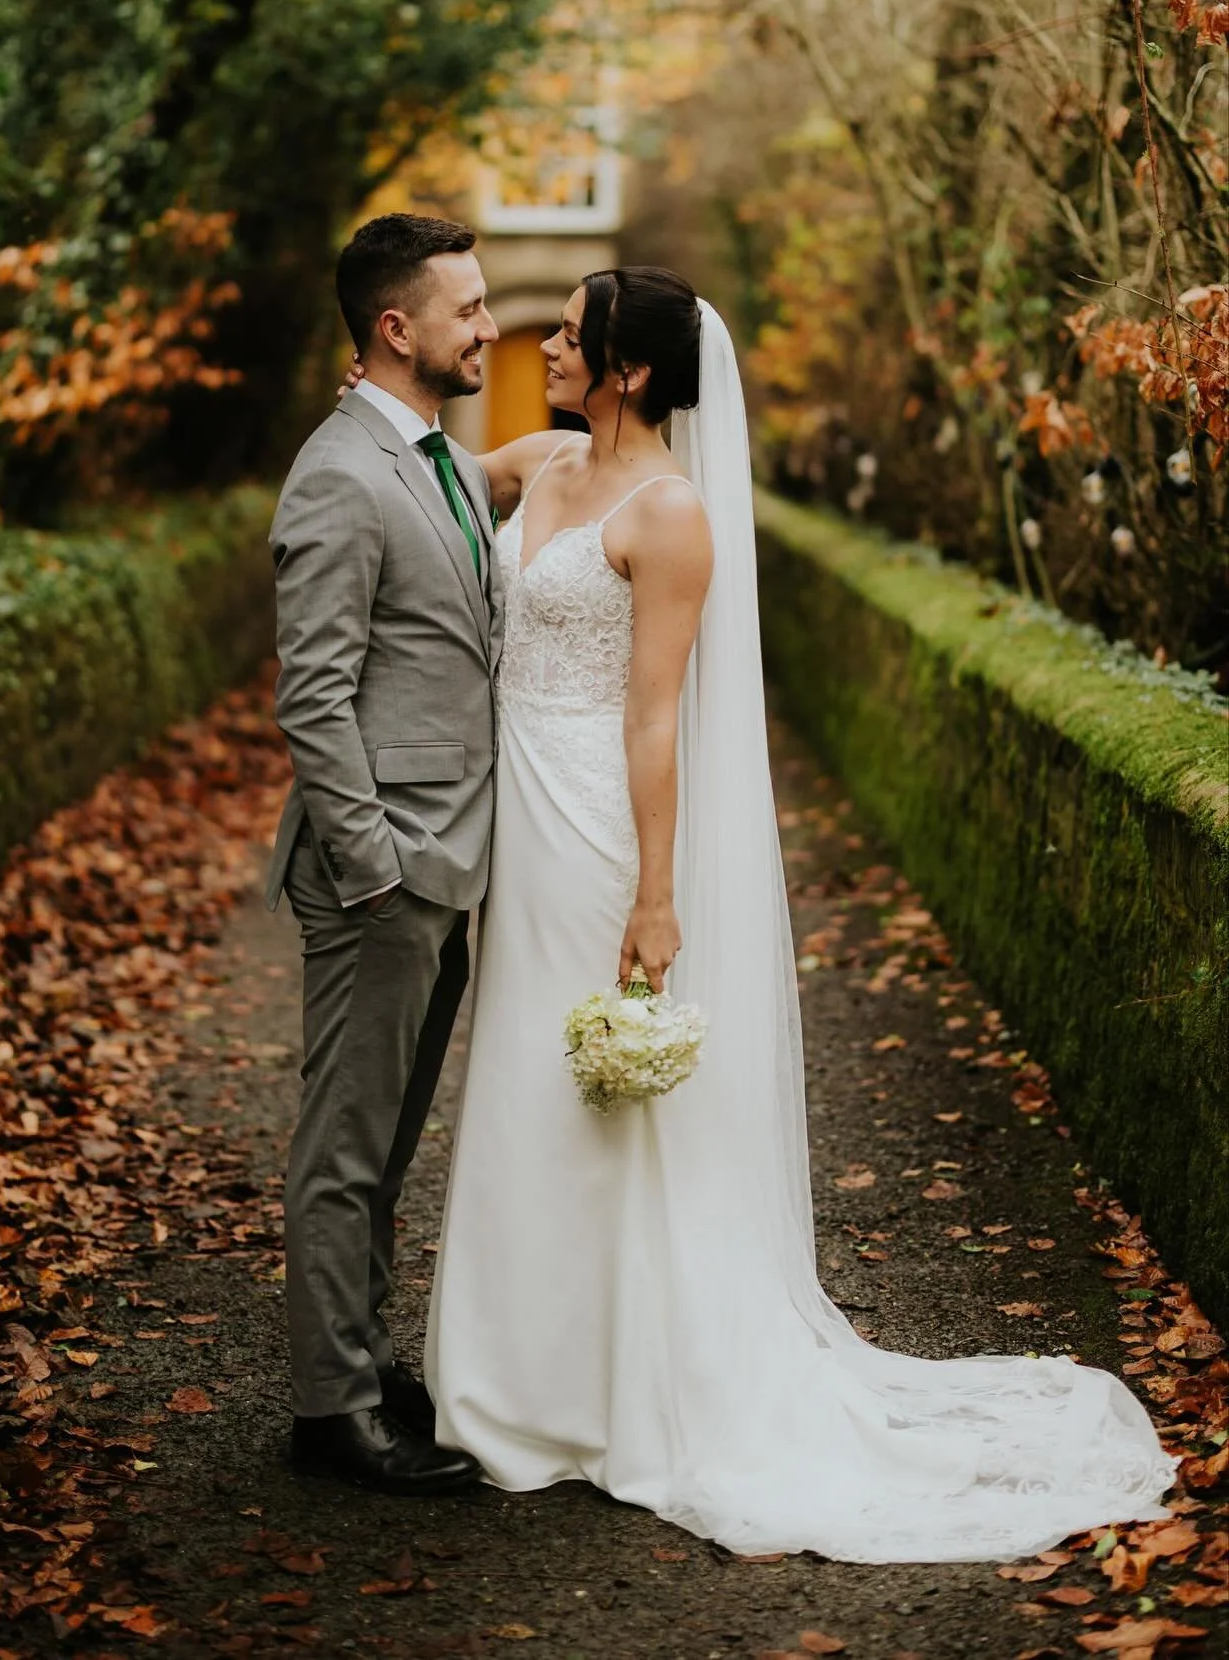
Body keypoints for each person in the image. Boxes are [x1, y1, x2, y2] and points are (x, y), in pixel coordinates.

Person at [422, 264, 1179, 1562]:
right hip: (520, 823)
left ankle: (618, 1391)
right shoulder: (541, 463)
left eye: (569, 331)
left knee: (602, 1088)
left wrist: (656, 895)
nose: (544, 342)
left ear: (633, 369)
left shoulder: (671, 518)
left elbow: (655, 715)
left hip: (601, 828)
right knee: (518, 1077)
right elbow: (430, 466)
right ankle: (512, 1384)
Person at [265, 212, 501, 1496]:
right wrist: (374, 867)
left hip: (444, 868)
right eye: (469, 309)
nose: (491, 326)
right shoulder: (337, 474)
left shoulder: (439, 460)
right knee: (343, 1153)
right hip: (385, 876)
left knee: (388, 1142)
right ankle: (330, 1413)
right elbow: (314, 696)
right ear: (397, 328)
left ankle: (361, 1362)